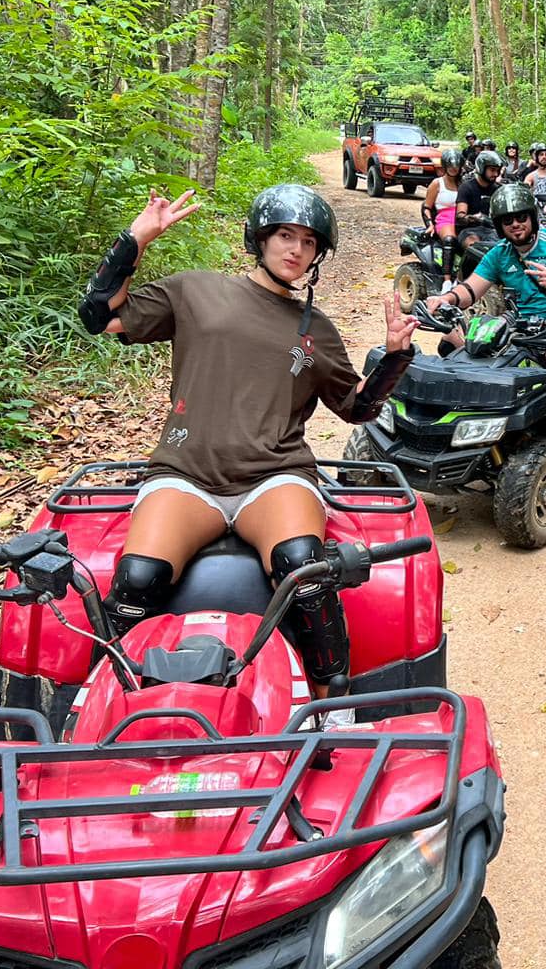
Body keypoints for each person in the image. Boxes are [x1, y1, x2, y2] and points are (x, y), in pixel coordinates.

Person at [77, 183, 419, 699]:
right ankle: (110, 704)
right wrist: (135, 239)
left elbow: (357, 407)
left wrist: (394, 354)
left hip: (275, 476)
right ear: (259, 239)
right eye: (284, 235)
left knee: (305, 568)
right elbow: (98, 317)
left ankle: (332, 709)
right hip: (186, 473)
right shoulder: (196, 292)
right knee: (137, 579)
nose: (295, 250)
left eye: (308, 242)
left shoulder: (316, 331)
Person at [425, 183, 546, 448]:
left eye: (521, 217)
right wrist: (445, 298)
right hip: (517, 328)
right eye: (508, 220)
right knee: (452, 342)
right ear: (499, 224)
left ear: (532, 217)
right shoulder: (499, 254)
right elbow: (471, 289)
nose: (516, 224)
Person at [422, 148, 464, 291]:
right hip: (444, 219)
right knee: (450, 239)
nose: (453, 169)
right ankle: (446, 281)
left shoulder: (463, 184)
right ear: (445, 166)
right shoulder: (437, 183)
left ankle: (461, 277)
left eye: (456, 166)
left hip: (462, 219)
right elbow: (426, 207)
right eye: (451, 166)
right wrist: (430, 224)